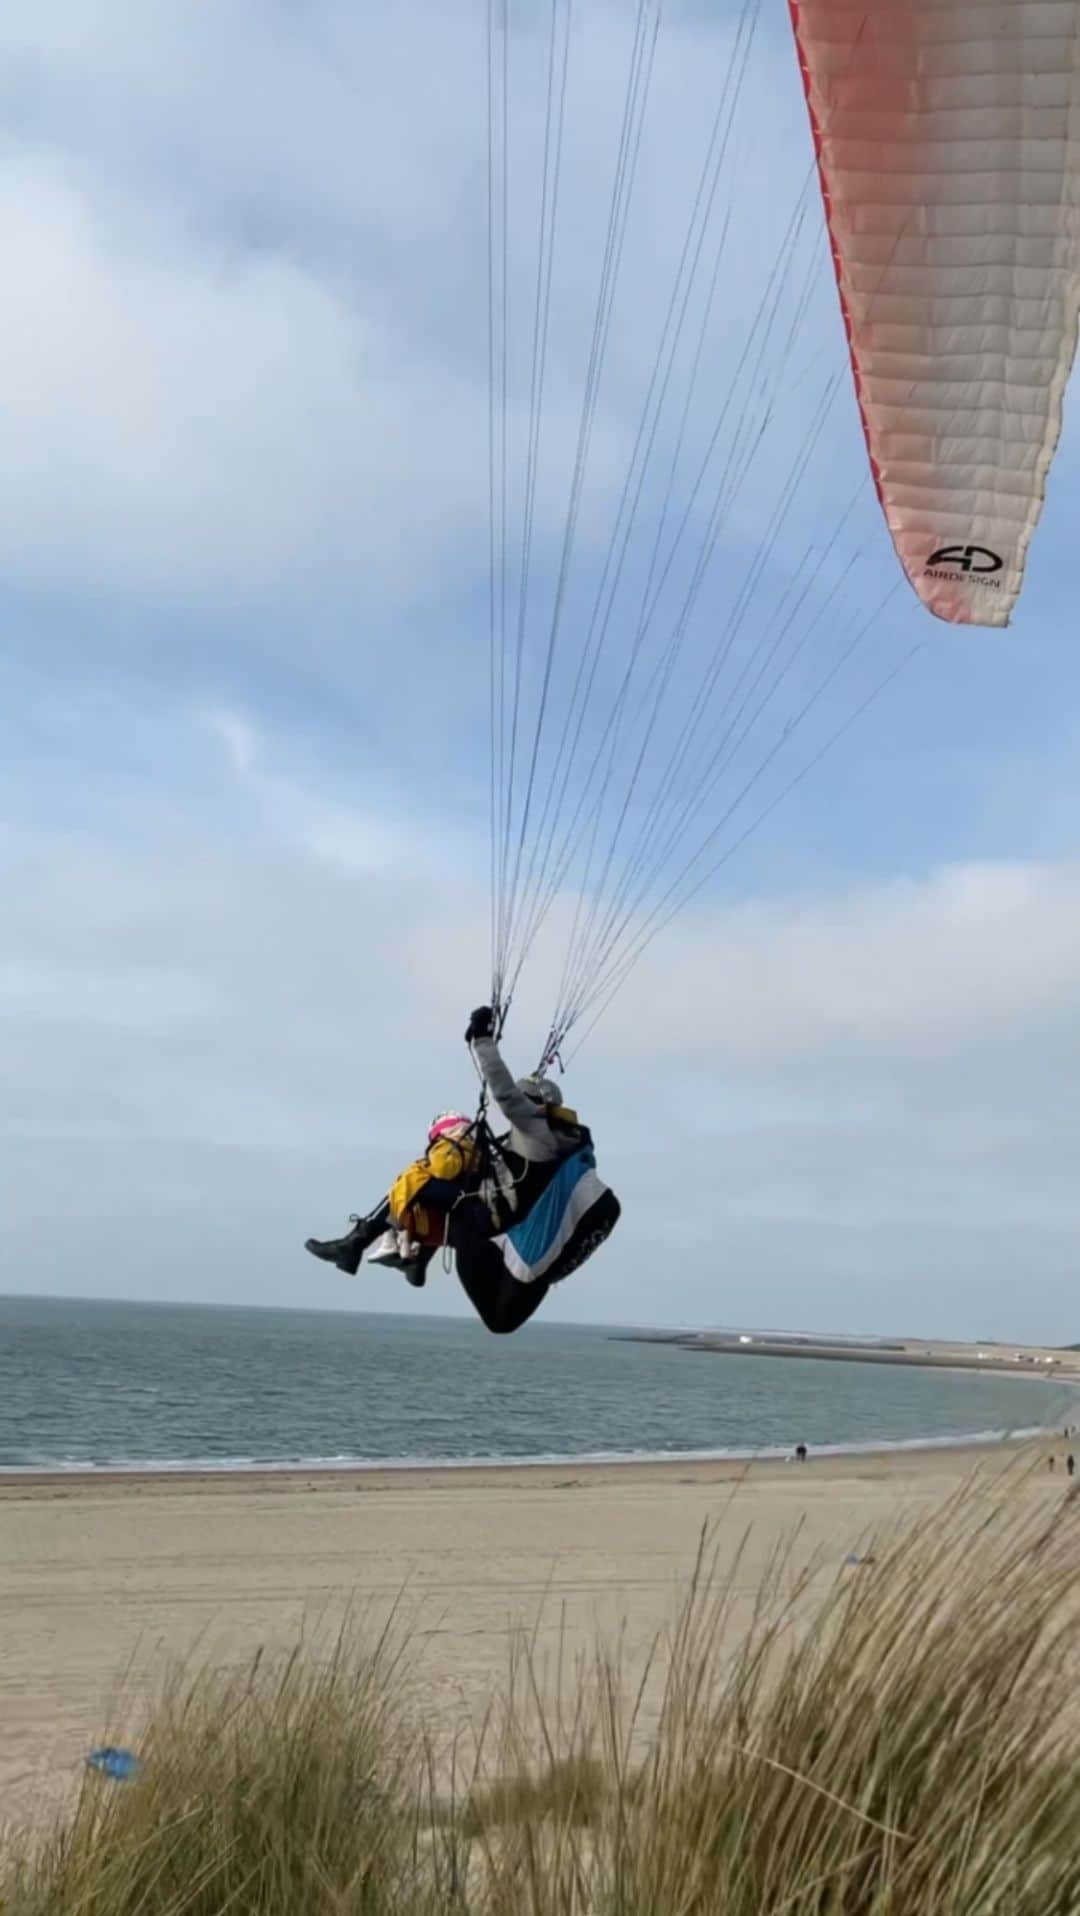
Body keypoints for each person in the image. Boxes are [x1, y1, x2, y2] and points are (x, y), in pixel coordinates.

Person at [304, 1007, 619, 1332]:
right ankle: (393, 1255)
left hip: (489, 1222)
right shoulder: (568, 1144)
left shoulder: (538, 1132)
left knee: (419, 1182)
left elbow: (506, 1094)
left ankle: (359, 1245)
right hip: (505, 1224)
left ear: (536, 1105)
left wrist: (481, 1038)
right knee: (501, 1322)